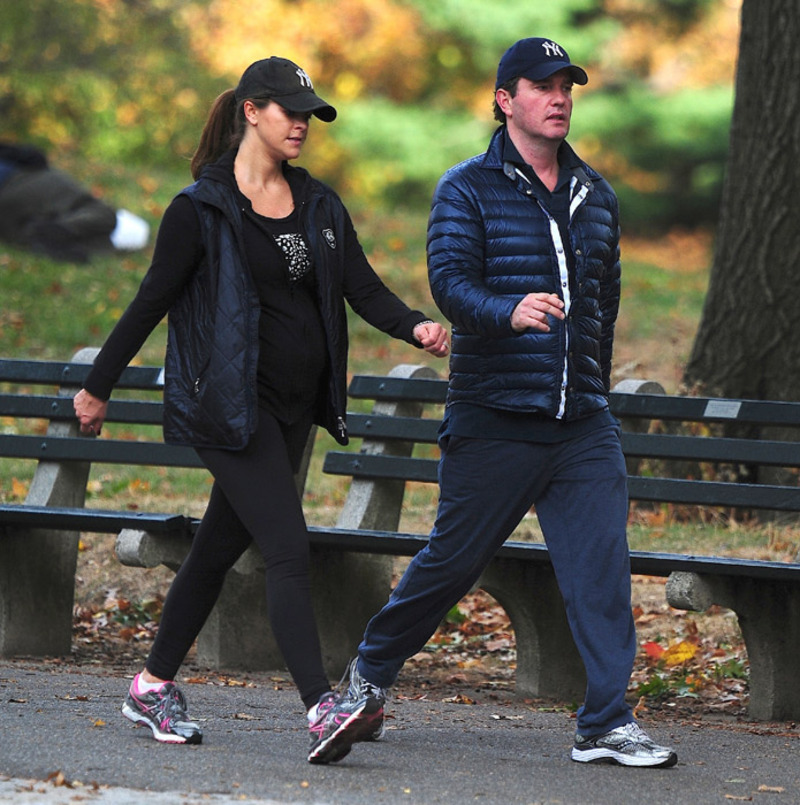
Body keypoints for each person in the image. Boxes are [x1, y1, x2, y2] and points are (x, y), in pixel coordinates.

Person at [307, 37, 679, 769]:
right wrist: (506, 312)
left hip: (580, 426)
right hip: (494, 415)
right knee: (450, 563)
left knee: (602, 570)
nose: (560, 96)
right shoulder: (467, 188)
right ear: (506, 99)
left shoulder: (596, 196)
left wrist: (591, 390)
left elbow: (603, 302)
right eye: (542, 85)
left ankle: (606, 720)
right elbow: (449, 281)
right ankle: (365, 680)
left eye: (567, 84)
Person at [72, 56, 448, 749]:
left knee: (217, 548)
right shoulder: (200, 210)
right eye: (289, 111)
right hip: (226, 406)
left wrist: (414, 325)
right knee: (286, 545)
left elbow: (360, 288)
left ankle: (151, 686)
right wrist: (98, 384)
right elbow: (150, 301)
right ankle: (321, 706)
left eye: (309, 114)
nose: (301, 124)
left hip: (289, 409)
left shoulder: (318, 204)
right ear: (252, 111)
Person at [0, 141, 149, 262]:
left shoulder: (97, 217)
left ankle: (49, 233)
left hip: (20, 186)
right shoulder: (95, 221)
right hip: (21, 188)